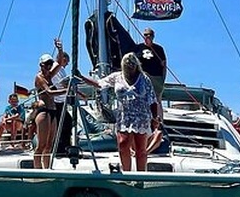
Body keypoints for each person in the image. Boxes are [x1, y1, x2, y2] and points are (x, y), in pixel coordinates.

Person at [77, 52, 159, 172]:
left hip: (141, 117)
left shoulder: (144, 79)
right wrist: (82, 78)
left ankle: (141, 176)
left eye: (132, 64)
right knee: (123, 144)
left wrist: (155, 118)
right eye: (127, 65)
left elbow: (152, 99)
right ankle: (126, 173)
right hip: (124, 116)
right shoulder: (117, 77)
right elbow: (100, 84)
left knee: (140, 149)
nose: (130, 67)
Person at [32, 39, 69, 169]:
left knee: (49, 145)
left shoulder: (49, 75)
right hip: (44, 112)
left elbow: (59, 63)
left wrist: (60, 49)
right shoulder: (40, 78)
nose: (49, 67)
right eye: (46, 65)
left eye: (49, 64)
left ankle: (47, 168)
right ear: (41, 65)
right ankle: (37, 170)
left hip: (53, 111)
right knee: (41, 145)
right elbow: (49, 93)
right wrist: (67, 90)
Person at [137, 27, 167, 153]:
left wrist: (162, 80)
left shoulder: (159, 49)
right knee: (143, 100)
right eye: (145, 35)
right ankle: (144, 121)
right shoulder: (138, 48)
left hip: (156, 77)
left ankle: (160, 123)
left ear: (153, 36)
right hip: (143, 77)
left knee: (157, 100)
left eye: (150, 35)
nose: (147, 37)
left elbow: (164, 65)